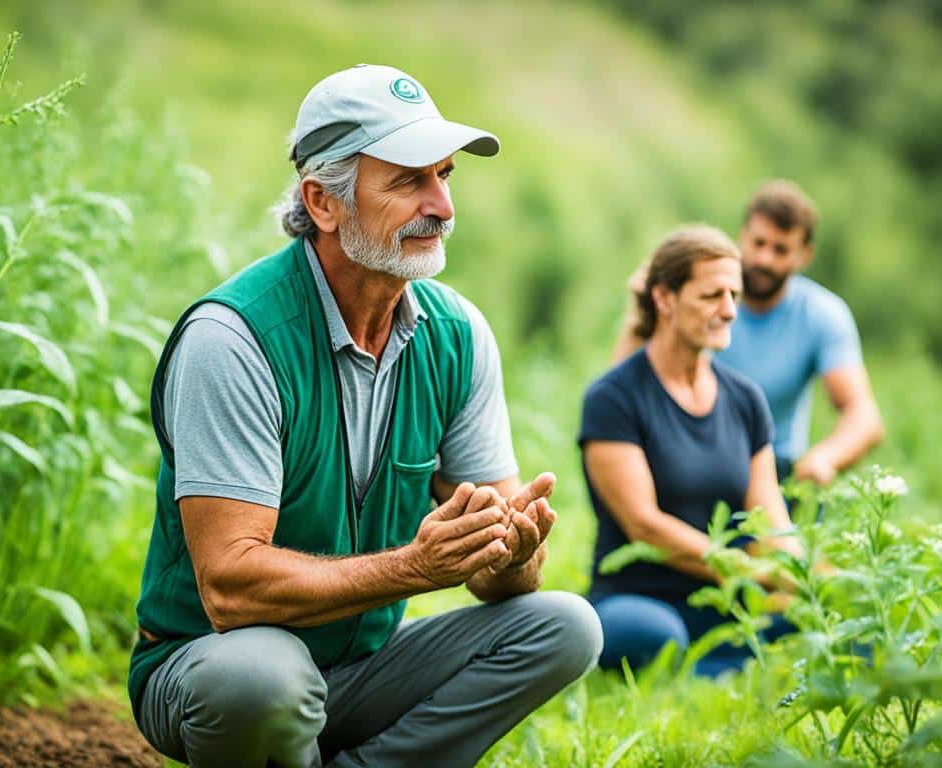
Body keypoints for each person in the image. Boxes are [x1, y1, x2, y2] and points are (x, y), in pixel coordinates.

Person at [128, 64, 602, 768]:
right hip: (212, 667)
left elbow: (496, 584)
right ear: (323, 202)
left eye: (445, 176)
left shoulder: (458, 335)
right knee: (263, 677)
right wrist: (415, 567)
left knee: (565, 626)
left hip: (361, 667)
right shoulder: (234, 340)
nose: (441, 205)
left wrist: (509, 554)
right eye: (409, 180)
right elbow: (229, 588)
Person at [582, 226, 801, 674]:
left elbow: (770, 515)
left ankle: (720, 666)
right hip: (638, 600)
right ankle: (722, 665)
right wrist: (745, 570)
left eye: (734, 296)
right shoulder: (613, 398)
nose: (728, 310)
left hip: (725, 598)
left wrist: (801, 572)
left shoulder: (745, 399)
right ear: (664, 299)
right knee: (657, 636)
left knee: (830, 619)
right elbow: (644, 525)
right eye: (711, 296)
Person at [613, 181, 883, 485]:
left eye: (781, 250)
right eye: (758, 243)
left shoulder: (822, 315)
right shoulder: (699, 297)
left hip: (775, 466)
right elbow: (622, 389)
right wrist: (641, 316)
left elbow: (863, 415)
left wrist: (825, 457)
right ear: (742, 237)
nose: (764, 259)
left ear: (804, 255)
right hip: (686, 457)